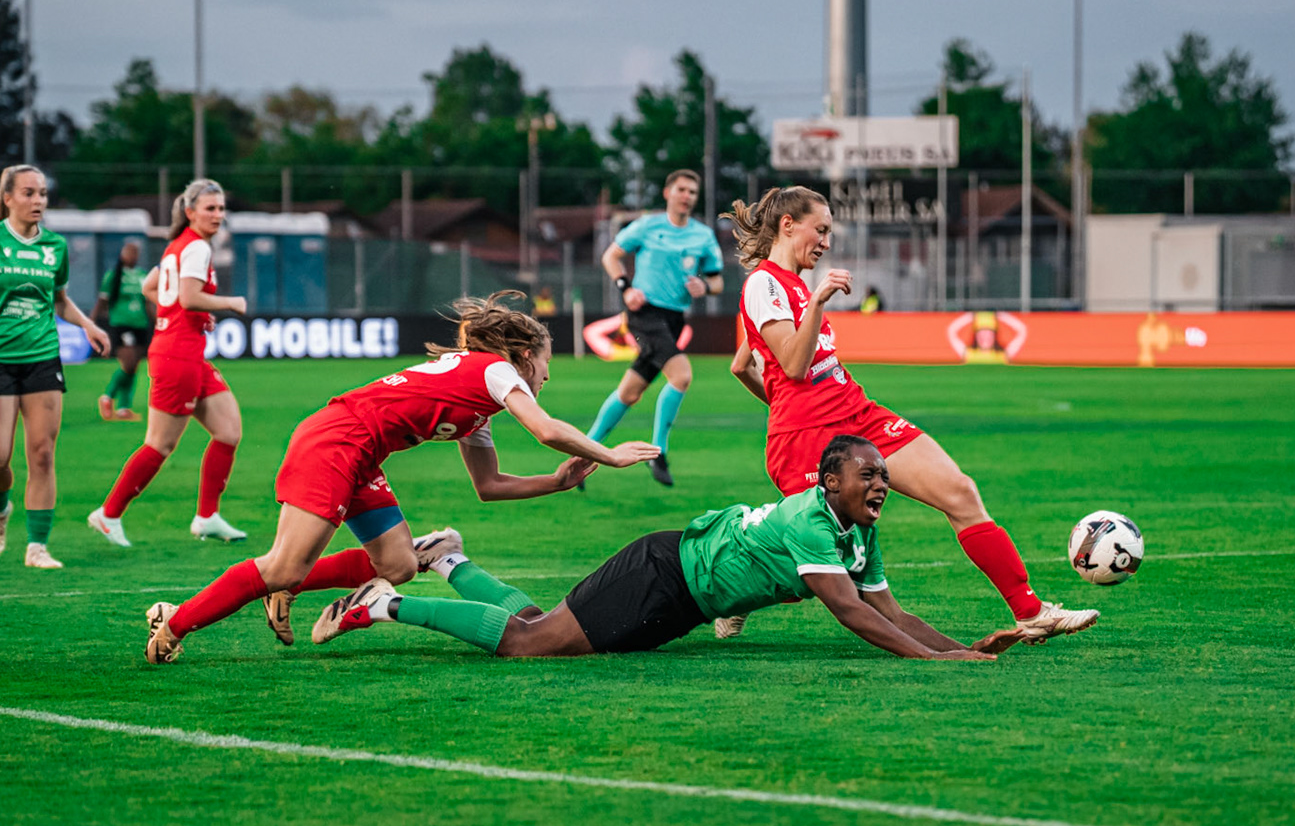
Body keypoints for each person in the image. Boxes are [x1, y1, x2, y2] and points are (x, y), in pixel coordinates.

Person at [143, 293, 659, 664]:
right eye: (546, 364)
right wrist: (609, 455)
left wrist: (556, 481)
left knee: (398, 564)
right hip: (335, 441)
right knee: (281, 566)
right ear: (525, 355)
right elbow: (545, 429)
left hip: (361, 453)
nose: (548, 375)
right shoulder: (493, 370)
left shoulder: (477, 406)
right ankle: (175, 625)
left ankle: (295, 584)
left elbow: (490, 486)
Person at [726, 185, 1097, 646]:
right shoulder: (764, 284)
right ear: (788, 225)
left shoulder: (793, 285)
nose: (826, 241)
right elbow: (794, 365)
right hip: (808, 439)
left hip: (857, 414)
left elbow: (742, 364)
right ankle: (734, 595)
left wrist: (782, 391)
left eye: (829, 233)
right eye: (820, 230)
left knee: (960, 491)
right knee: (825, 561)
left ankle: (1032, 612)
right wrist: (818, 306)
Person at [311, 435, 998, 661]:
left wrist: (958, 650)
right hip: (666, 574)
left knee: (540, 631)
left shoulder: (859, 530)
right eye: (868, 474)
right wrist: (937, 665)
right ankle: (387, 603)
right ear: (830, 482)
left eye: (883, 474)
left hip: (681, 596)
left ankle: (452, 560)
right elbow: (852, 614)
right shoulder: (812, 520)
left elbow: (892, 612)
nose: (883, 483)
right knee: (529, 644)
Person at [0, 165, 112, 568]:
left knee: (42, 455)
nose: (38, 201)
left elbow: (58, 300)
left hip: (43, 357)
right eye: (28, 193)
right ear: (7, 198)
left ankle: (37, 547)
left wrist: (87, 324)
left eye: (42, 193)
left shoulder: (54, 246)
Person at [89, 180, 250, 547]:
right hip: (177, 355)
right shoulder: (195, 248)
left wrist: (188, 313)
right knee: (159, 444)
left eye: (222, 208)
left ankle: (207, 517)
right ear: (190, 212)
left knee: (228, 431)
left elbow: (151, 287)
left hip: (188, 352)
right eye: (210, 208)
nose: (218, 215)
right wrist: (229, 303)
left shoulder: (178, 247)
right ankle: (109, 514)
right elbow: (190, 297)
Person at [586, 169, 725, 486]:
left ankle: (583, 453)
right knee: (682, 375)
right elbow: (612, 256)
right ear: (667, 193)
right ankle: (659, 452)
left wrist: (706, 287)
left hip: (674, 319)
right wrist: (625, 287)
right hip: (644, 314)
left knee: (630, 392)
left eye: (692, 191)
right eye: (681, 189)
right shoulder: (648, 225)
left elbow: (717, 280)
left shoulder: (702, 236)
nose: (686, 196)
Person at [93, 237, 152, 421]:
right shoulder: (114, 275)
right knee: (128, 364)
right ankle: (108, 396)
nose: (133, 255)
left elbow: (148, 302)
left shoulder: (143, 275)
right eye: (129, 252)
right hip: (122, 324)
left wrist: (158, 320)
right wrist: (91, 323)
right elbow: (102, 301)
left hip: (140, 324)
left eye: (136, 252)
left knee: (134, 367)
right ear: (122, 254)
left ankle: (124, 408)